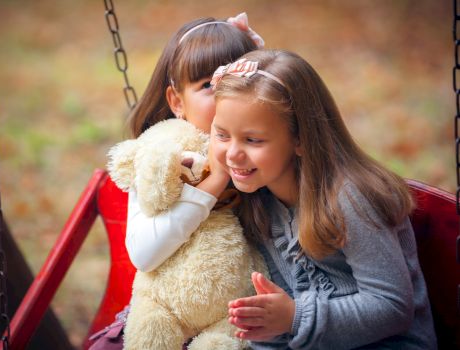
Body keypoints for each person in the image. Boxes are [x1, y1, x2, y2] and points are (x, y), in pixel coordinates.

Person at [208, 50, 437, 349]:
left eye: (253, 140)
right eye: (222, 135)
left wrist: (294, 318)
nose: (233, 153)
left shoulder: (348, 198)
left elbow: (392, 306)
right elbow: (277, 315)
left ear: (301, 138)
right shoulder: (256, 199)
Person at [89, 13, 262, 349]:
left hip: (235, 326)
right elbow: (143, 254)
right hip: (163, 319)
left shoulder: (263, 154)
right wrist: (213, 184)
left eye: (237, 80)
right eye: (209, 86)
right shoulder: (163, 155)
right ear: (177, 102)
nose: (226, 95)